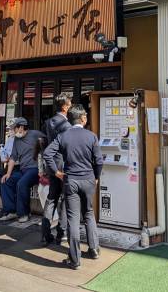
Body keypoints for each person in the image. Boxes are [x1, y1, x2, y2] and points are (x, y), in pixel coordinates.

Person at [43, 105, 103, 270]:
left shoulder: (63, 136)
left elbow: (47, 153)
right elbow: (98, 161)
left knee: (73, 218)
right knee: (89, 213)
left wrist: (56, 172)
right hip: (89, 179)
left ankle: (75, 259)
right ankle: (94, 249)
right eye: (86, 116)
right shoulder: (91, 136)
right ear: (83, 118)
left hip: (71, 180)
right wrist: (96, 177)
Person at [0, 117, 45, 223]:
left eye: (14, 128)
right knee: (6, 181)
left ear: (21, 127)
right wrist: (8, 173)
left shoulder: (35, 134)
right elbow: (13, 157)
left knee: (21, 183)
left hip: (35, 169)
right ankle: (11, 211)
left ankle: (24, 213)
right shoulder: (16, 140)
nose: (13, 130)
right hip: (23, 170)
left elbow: (48, 142)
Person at [40, 93, 72, 245]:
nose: (71, 105)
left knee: (52, 197)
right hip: (63, 165)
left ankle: (45, 233)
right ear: (65, 107)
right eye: (70, 103)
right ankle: (62, 232)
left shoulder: (48, 122)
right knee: (65, 198)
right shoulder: (66, 125)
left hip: (51, 163)